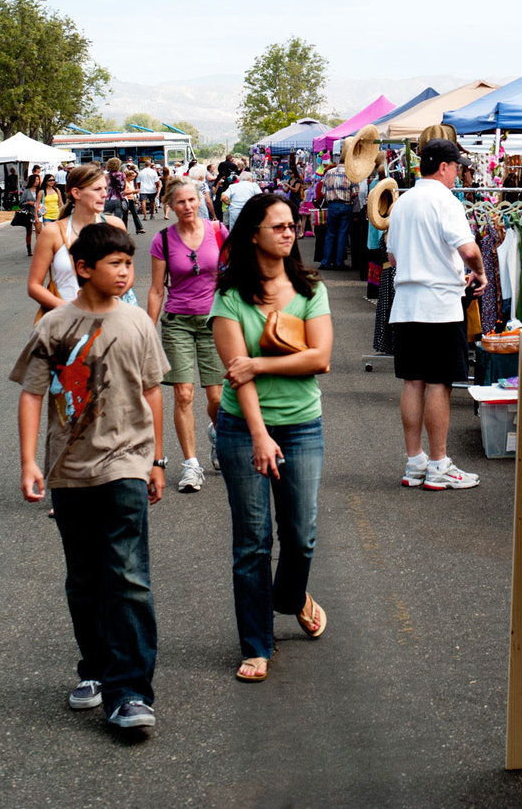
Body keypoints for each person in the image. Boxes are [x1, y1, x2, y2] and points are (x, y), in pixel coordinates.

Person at [11, 222, 168, 731]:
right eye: (116, 264)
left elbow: (152, 391)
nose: (126, 272)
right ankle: (96, 670)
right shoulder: (54, 326)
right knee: (84, 579)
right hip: (69, 469)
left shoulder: (139, 323)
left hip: (126, 462)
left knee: (126, 576)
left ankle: (130, 691)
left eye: (130, 263)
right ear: (83, 269)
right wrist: (29, 461)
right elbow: (32, 393)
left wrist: (156, 460)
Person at [209, 193, 333, 683]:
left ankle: (291, 597)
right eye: (278, 226)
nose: (289, 232)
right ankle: (257, 644)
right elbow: (236, 379)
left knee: (300, 537)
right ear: (253, 234)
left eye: (291, 225)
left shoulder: (309, 288)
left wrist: (260, 361)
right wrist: (259, 435)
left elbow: (320, 358)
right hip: (244, 429)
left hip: (303, 425)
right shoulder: (230, 296)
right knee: (253, 544)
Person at [388, 138, 485, 490]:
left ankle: (415, 462)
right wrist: (480, 271)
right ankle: (440, 463)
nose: (458, 173)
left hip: (407, 303)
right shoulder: (445, 201)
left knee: (412, 381)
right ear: (443, 167)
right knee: (439, 383)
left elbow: (394, 258)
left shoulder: (402, 203)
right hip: (440, 303)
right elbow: (468, 248)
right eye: (456, 167)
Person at [147, 178, 228, 493]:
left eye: (192, 200)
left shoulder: (218, 232)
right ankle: (191, 466)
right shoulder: (163, 240)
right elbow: (156, 290)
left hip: (214, 322)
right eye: (180, 202)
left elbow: (236, 273)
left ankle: (217, 434)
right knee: (183, 394)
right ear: (170, 205)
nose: (187, 207)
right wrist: (147, 330)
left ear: (200, 200)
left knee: (218, 398)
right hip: (177, 321)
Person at [28, 164, 132, 315]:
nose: (104, 194)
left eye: (105, 188)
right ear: (76, 193)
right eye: (97, 189)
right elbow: (34, 285)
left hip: (109, 319)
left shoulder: (115, 225)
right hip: (67, 323)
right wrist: (69, 309)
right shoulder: (53, 232)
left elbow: (128, 274)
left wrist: (104, 303)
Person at [319, 152, 356, 270]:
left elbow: (323, 192)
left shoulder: (329, 173)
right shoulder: (351, 173)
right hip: (346, 205)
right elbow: (355, 192)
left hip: (332, 205)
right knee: (342, 234)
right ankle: (339, 263)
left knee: (330, 234)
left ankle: (325, 262)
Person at [105, 157, 145, 234]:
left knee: (106, 217)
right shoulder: (121, 175)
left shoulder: (105, 176)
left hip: (108, 199)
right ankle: (118, 232)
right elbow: (122, 188)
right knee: (119, 218)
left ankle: (107, 232)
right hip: (118, 199)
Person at [18, 172, 41, 255]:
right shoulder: (26, 191)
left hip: (38, 213)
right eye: (36, 180)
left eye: (38, 180)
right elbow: (21, 203)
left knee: (39, 231)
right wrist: (28, 203)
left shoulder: (40, 191)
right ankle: (29, 249)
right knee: (29, 232)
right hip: (29, 213)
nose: (37, 181)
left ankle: (39, 249)